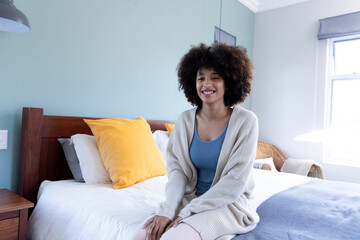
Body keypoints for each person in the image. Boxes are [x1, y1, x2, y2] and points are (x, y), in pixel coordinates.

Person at [132, 42, 259, 240]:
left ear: (230, 82)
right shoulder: (184, 120)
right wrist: (167, 211)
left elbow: (235, 182)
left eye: (215, 78)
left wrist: (186, 213)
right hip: (191, 199)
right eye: (201, 78)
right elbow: (178, 172)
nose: (207, 84)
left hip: (227, 204)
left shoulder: (246, 121)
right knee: (141, 236)